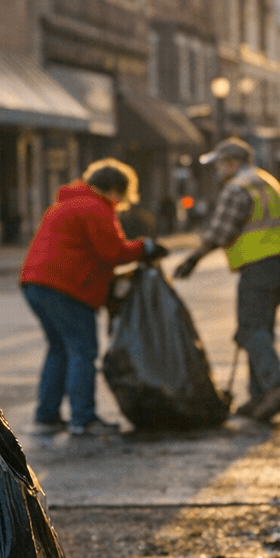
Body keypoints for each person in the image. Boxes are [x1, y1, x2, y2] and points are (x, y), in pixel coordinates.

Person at [19, 158, 165, 435]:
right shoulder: (95, 207)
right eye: (121, 196)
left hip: (35, 283)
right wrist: (144, 248)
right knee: (82, 350)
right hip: (65, 287)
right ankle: (83, 419)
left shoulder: (66, 203)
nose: (121, 203)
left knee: (59, 349)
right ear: (114, 189)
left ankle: (47, 416)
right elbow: (113, 251)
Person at [172, 138, 280, 422]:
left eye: (218, 164)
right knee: (262, 330)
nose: (217, 170)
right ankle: (261, 396)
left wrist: (193, 258)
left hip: (257, 267)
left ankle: (276, 385)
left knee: (250, 330)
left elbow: (221, 231)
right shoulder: (269, 183)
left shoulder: (237, 188)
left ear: (232, 163)